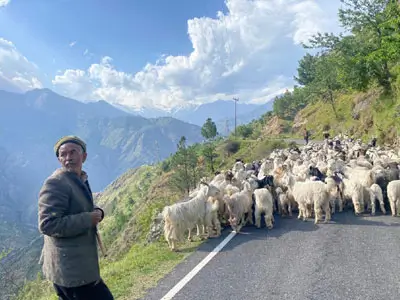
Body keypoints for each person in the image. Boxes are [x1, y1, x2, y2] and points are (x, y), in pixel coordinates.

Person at [38, 135, 114, 300]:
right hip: (71, 271)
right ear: (59, 159)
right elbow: (48, 224)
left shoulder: (78, 178)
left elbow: (77, 207)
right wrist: (88, 219)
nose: (68, 158)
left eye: (73, 152)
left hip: (78, 267)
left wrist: (97, 211)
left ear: (84, 156)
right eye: (63, 154)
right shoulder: (56, 183)